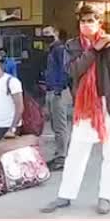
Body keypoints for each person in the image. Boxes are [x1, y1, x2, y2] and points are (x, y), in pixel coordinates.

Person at [41, 5, 110, 216]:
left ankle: (105, 197)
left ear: (99, 23)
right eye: (83, 21)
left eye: (91, 21)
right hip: (86, 108)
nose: (86, 25)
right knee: (77, 152)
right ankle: (65, 195)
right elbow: (73, 70)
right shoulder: (72, 45)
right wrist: (94, 50)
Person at [43, 26, 71, 171]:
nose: (46, 36)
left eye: (49, 33)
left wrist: (58, 89)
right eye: (44, 34)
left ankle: (62, 157)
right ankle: (60, 154)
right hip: (51, 90)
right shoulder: (52, 49)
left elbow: (64, 70)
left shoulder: (60, 49)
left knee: (60, 126)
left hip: (57, 91)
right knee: (56, 125)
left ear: (56, 33)